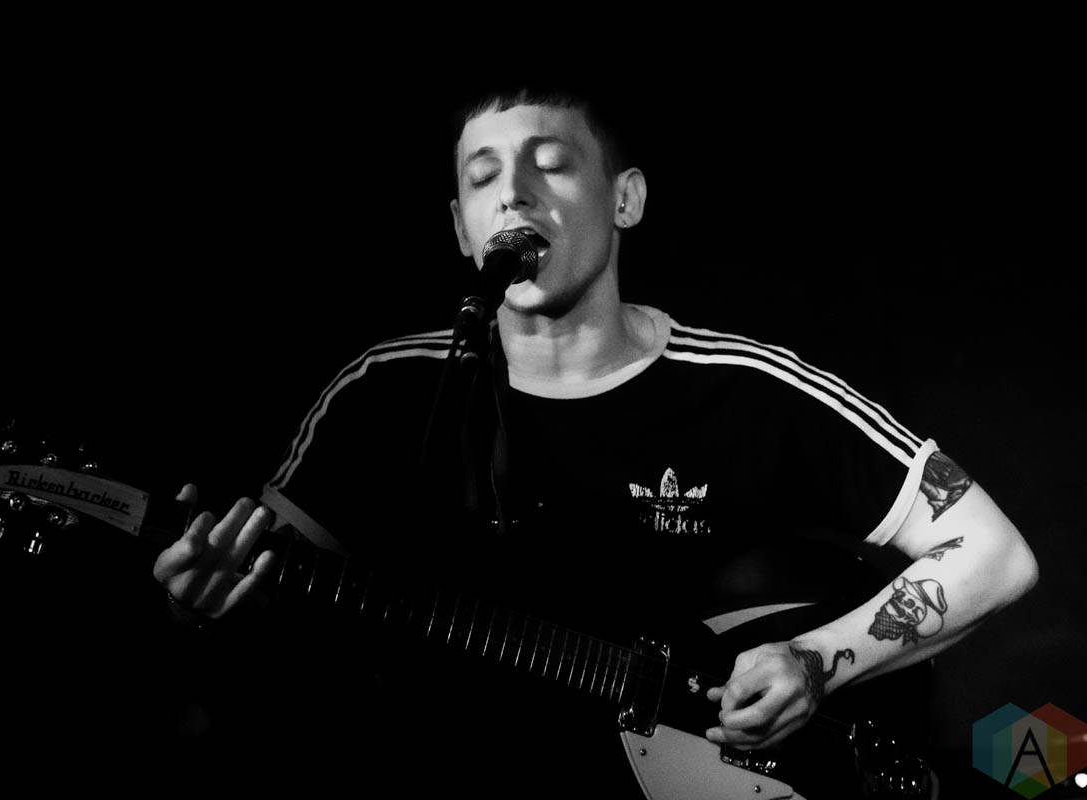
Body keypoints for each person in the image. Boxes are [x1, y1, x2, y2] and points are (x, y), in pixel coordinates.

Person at [153, 84, 1038, 798]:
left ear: (625, 198)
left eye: (551, 164)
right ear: (461, 227)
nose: (514, 193)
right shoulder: (382, 392)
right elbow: (266, 605)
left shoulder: (747, 389)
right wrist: (200, 605)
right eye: (483, 176)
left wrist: (815, 661)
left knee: (1044, 766)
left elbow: (994, 556)